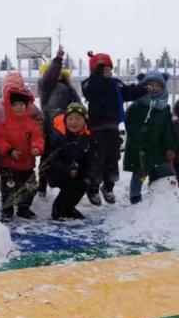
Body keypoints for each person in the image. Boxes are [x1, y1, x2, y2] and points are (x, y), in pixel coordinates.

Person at [82, 50, 147, 204]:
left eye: (109, 68)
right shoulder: (90, 83)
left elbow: (129, 92)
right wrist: (97, 74)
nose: (107, 71)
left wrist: (142, 89)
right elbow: (92, 91)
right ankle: (92, 188)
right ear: (95, 71)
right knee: (97, 160)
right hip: (96, 129)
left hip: (112, 128)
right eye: (103, 69)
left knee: (112, 159)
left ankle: (108, 187)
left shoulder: (115, 84)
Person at [123, 72, 175, 203]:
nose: (155, 88)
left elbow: (168, 130)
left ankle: (156, 192)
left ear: (163, 88)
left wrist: (169, 147)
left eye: (158, 86)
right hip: (140, 145)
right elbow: (129, 123)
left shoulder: (164, 109)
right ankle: (135, 195)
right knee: (140, 172)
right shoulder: (137, 106)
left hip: (158, 146)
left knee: (159, 170)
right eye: (150, 85)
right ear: (144, 87)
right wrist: (138, 138)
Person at [0, 86, 44, 220]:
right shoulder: (3, 125)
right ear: (9, 107)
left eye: (22, 104)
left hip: (27, 165)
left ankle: (24, 208)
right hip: (8, 165)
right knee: (8, 190)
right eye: (15, 105)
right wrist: (9, 150)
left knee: (30, 188)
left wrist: (36, 147)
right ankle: (7, 209)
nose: (19, 107)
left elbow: (37, 138)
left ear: (27, 106)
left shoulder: (31, 124)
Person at [37, 48, 81, 196]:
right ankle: (43, 185)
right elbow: (50, 76)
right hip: (52, 127)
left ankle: (55, 183)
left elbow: (77, 105)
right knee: (48, 156)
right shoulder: (47, 85)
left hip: (64, 126)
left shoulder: (66, 87)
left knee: (61, 156)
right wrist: (57, 60)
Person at [46, 103, 100, 220]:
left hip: (77, 172)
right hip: (57, 172)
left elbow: (93, 160)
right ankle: (58, 209)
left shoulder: (89, 138)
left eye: (78, 118)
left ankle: (68, 208)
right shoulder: (58, 136)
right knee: (71, 183)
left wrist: (90, 176)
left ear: (84, 121)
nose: (73, 122)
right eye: (70, 118)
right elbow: (52, 159)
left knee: (83, 182)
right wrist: (67, 169)